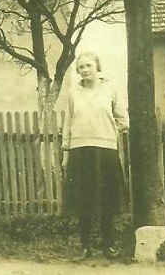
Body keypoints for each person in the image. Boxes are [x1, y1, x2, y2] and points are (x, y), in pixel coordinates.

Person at [59, 51, 129, 260]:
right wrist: (66, 152)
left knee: (106, 199)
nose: (85, 70)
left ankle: (108, 246)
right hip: (80, 151)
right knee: (84, 200)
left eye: (88, 65)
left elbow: (123, 120)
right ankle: (85, 247)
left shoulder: (110, 89)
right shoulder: (73, 93)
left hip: (105, 151)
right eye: (81, 67)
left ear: (98, 67)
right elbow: (68, 123)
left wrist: (105, 132)